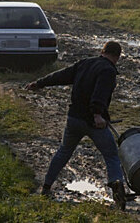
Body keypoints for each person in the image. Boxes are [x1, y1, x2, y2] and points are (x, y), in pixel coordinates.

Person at [25, 41, 126, 209]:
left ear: (103, 51)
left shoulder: (85, 63)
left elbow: (61, 75)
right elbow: (99, 93)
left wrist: (40, 83)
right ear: (117, 56)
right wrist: (97, 115)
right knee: (111, 155)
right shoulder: (108, 71)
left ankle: (46, 187)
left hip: (74, 119)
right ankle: (117, 190)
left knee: (64, 152)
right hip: (93, 122)